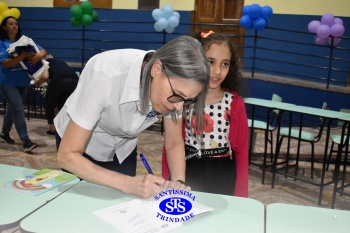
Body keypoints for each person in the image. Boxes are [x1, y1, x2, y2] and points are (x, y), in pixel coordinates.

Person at [54, 35, 210, 198]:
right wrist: (128, 183)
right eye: (177, 95)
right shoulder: (104, 74)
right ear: (156, 69)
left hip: (122, 147)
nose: (178, 106)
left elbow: (174, 142)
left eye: (187, 100)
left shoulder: (175, 90)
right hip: (82, 146)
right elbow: (67, 155)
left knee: (120, 207)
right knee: (81, 203)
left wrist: (179, 182)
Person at [162, 31, 249, 197]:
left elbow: (242, 153)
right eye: (210, 62)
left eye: (225, 64)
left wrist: (241, 196)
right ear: (198, 60)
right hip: (187, 170)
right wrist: (169, 179)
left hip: (222, 175)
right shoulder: (183, 98)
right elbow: (171, 145)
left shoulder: (234, 103)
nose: (217, 71)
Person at [0, 16, 47, 152]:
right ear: (4, 27)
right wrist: (22, 56)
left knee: (13, 108)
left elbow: (43, 51)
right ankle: (26, 141)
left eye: (16, 23)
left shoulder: (24, 41)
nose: (14, 26)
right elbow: (6, 63)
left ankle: (4, 133)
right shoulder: (2, 43)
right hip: (7, 83)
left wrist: (38, 56)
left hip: (24, 82)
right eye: (10, 24)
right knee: (19, 110)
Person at [34, 57, 79, 135]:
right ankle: (65, 128)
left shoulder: (44, 63)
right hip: (75, 80)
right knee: (64, 105)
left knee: (48, 104)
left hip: (59, 80)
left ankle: (53, 129)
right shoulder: (58, 61)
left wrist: (37, 83)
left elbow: (45, 76)